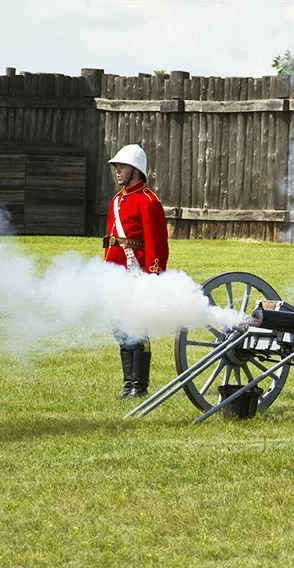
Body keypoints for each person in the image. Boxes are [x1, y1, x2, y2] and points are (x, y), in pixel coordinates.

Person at [104, 143, 169, 399]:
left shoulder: (149, 201)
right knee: (119, 328)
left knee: (137, 328)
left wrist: (153, 278)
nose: (117, 170)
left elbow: (157, 244)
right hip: (115, 273)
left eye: (121, 166)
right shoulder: (116, 201)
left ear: (135, 170)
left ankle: (139, 387)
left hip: (137, 272)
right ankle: (128, 384)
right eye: (117, 167)